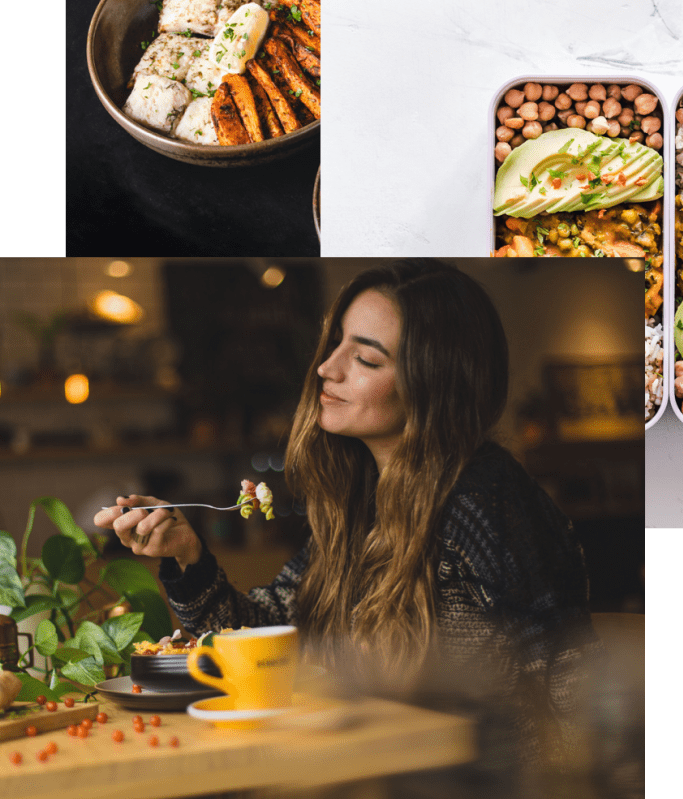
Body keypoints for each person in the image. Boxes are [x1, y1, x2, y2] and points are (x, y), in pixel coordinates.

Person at [94, 259, 597, 764]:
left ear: (434, 385)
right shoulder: (364, 502)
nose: (326, 368)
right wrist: (187, 554)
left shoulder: (484, 499)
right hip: (378, 777)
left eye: (367, 360)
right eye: (336, 343)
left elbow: (570, 684)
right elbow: (272, 633)